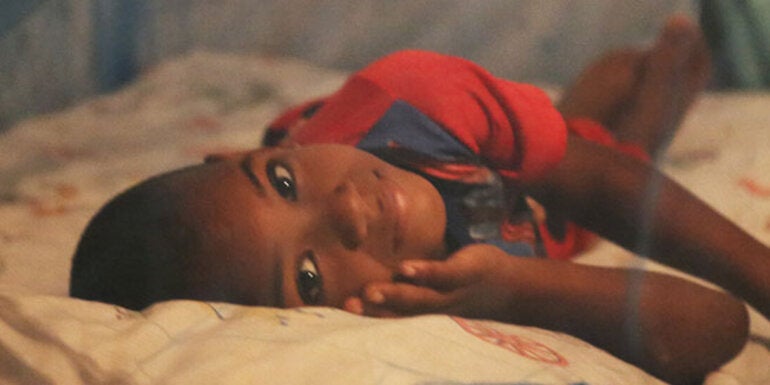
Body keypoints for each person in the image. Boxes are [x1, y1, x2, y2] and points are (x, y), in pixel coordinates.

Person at [70, 16, 767, 384]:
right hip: (524, 216)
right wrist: (517, 286)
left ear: (239, 157)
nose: (345, 209)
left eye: (282, 181)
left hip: (466, 147)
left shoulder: (414, 100)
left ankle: (658, 64)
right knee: (599, 162)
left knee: (588, 157)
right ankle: (658, 71)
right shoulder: (424, 301)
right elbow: (717, 326)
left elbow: (603, 183)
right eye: (307, 276)